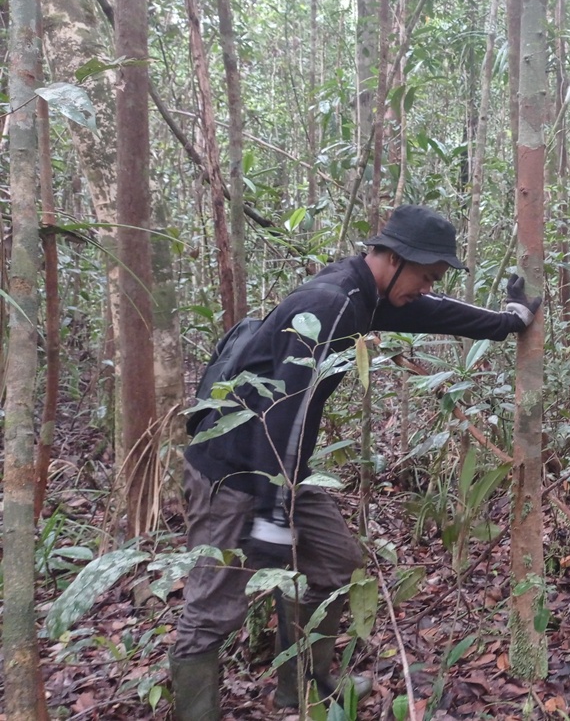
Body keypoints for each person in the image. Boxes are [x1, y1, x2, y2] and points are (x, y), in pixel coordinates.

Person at [169, 205, 542, 721]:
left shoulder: (363, 295)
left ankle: (302, 687)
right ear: (394, 258)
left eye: (434, 279)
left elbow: (435, 313)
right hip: (230, 470)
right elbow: (290, 410)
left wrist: (509, 320)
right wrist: (274, 516)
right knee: (213, 609)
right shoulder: (330, 303)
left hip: (280, 469)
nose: (427, 288)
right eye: (426, 276)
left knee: (333, 563)